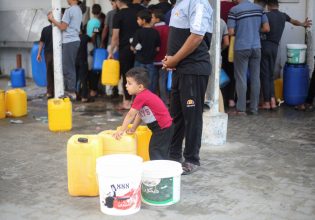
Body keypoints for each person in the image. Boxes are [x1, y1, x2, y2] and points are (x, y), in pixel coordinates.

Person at [162, 0, 213, 175]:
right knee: (176, 115)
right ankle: (173, 154)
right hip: (180, 69)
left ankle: (191, 159)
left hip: (193, 69)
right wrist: (170, 58)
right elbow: (179, 38)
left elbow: (197, 36)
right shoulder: (178, 4)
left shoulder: (197, 2)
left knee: (192, 116)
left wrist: (175, 59)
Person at [260, 0, 312, 110]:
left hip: (265, 46)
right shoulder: (283, 16)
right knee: (270, 75)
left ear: (268, 6)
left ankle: (266, 102)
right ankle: (273, 101)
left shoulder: (265, 15)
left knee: (265, 74)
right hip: (275, 47)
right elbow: (294, 21)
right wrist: (303, 24)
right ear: (278, 5)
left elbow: (262, 28)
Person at [113, 67, 174, 160]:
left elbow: (130, 115)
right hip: (163, 128)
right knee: (159, 151)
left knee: (155, 151)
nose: (126, 86)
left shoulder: (141, 96)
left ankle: (160, 173)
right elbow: (140, 114)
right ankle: (162, 171)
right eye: (126, 83)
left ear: (140, 87)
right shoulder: (140, 96)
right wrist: (134, 127)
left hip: (162, 128)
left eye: (129, 83)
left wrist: (121, 130)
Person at [227, 0, 269, 115]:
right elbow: (266, 28)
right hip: (256, 47)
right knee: (256, 77)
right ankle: (254, 108)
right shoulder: (259, 9)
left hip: (241, 47)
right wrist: (255, 30)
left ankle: (241, 109)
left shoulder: (234, 10)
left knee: (241, 77)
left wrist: (240, 31)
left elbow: (230, 32)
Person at [48, 0, 82, 100]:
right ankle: (69, 90)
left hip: (69, 41)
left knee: (68, 67)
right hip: (74, 40)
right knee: (68, 66)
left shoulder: (69, 10)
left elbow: (62, 27)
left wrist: (52, 19)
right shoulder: (78, 10)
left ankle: (71, 91)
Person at [108, 0, 139, 110]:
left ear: (118, 2)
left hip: (125, 49)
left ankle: (126, 102)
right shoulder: (136, 12)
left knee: (126, 75)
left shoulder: (118, 15)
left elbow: (115, 36)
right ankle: (136, 102)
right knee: (137, 75)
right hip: (137, 48)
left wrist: (111, 51)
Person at [131, 9, 160, 93]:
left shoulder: (138, 32)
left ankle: (139, 102)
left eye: (138, 19)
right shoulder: (155, 32)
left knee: (137, 83)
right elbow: (157, 48)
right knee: (151, 84)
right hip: (151, 61)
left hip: (139, 60)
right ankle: (150, 102)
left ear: (143, 20)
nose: (137, 21)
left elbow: (133, 47)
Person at [151, 9, 170, 105]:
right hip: (166, 58)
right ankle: (165, 100)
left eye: (153, 17)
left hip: (154, 58)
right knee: (163, 80)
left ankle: (153, 100)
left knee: (153, 80)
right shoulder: (168, 28)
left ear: (157, 19)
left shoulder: (153, 29)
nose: (151, 19)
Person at [86, 4, 102, 98]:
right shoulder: (97, 22)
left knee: (90, 68)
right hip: (93, 46)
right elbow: (94, 34)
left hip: (87, 45)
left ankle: (91, 89)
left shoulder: (89, 21)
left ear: (92, 12)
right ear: (99, 12)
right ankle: (93, 90)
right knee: (94, 69)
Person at [37, 20, 54, 99]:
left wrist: (39, 54)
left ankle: (50, 92)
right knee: (57, 72)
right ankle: (57, 91)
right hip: (57, 53)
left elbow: (41, 42)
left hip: (47, 54)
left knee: (49, 72)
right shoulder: (59, 28)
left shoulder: (45, 29)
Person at [75, 24, 90, 102]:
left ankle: (76, 95)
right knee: (83, 79)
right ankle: (84, 97)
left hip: (74, 61)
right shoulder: (85, 37)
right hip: (82, 61)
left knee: (75, 78)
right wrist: (95, 30)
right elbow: (92, 39)